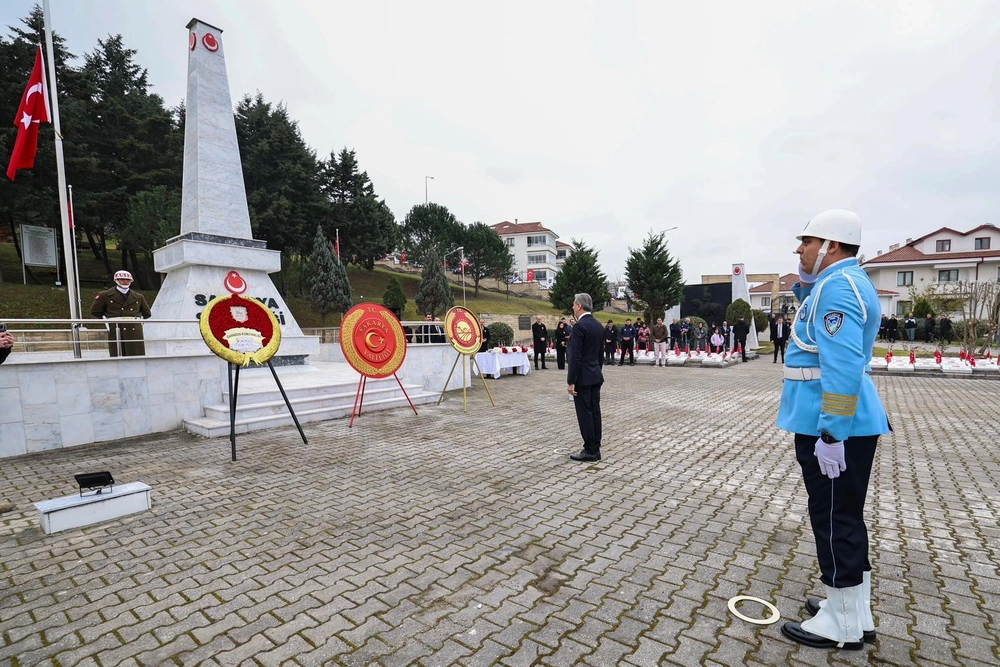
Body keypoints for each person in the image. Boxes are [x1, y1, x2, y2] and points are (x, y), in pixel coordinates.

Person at [777, 209, 890, 651]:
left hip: (832, 426)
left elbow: (841, 367)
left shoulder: (839, 287)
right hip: (840, 423)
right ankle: (855, 611)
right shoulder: (839, 283)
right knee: (845, 515)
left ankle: (840, 625)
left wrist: (831, 435)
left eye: (806, 241)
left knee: (832, 517)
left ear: (832, 245)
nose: (799, 249)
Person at [566, 293, 604, 462]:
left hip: (583, 377)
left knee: (585, 413)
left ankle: (589, 449)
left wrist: (571, 381)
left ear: (579, 306)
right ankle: (596, 447)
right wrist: (597, 371)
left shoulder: (579, 327)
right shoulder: (597, 325)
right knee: (595, 411)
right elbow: (600, 354)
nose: (573, 307)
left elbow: (575, 356)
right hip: (595, 375)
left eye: (574, 304)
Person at [89, 270, 152, 357]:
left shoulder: (138, 296)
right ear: (116, 280)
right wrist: (109, 319)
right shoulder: (105, 295)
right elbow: (95, 311)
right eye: (122, 279)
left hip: (134, 329)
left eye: (128, 280)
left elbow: (147, 313)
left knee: (136, 355)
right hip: (116, 327)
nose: (125, 281)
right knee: (118, 354)